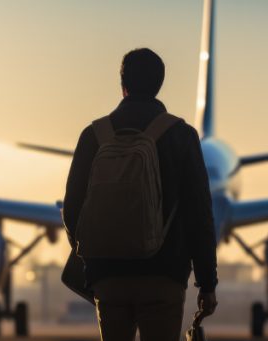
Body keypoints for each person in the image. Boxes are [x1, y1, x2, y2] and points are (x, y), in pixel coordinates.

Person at [62, 48, 219, 341]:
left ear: (123, 85)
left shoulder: (94, 135)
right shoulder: (181, 136)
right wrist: (207, 282)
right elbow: (199, 215)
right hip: (163, 277)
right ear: (160, 84)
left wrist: (93, 259)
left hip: (109, 277)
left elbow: (72, 210)